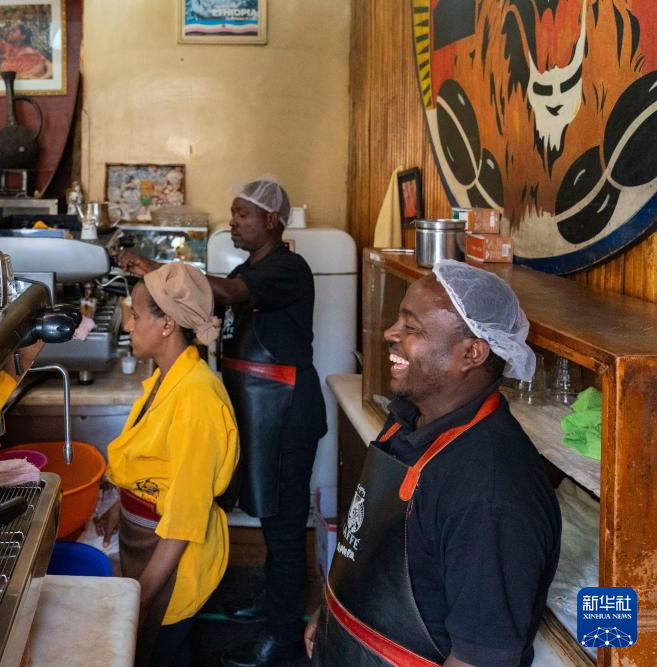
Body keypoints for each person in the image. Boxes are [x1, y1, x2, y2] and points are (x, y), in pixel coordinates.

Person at [305, 259, 561, 667]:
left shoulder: (490, 493)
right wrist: (333, 610)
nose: (390, 334)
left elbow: (480, 660)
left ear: (471, 353)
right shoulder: (407, 417)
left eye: (412, 327)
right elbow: (367, 540)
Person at [118, 176, 327, 666]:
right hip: (259, 413)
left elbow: (229, 292)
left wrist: (161, 273)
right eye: (232, 213)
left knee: (283, 528)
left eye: (242, 213)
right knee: (268, 518)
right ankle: (272, 603)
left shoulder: (287, 269)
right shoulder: (246, 268)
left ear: (272, 220)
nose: (233, 221)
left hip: (286, 417)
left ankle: (282, 636)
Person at [95, 262, 238, 667]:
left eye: (136, 315)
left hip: (171, 564)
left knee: (161, 651)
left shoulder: (196, 400)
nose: (128, 325)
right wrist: (122, 506)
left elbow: (184, 519)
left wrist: (141, 597)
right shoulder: (166, 379)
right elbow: (157, 470)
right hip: (146, 543)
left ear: (167, 325)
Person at [0, 14, 52, 79]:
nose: (10, 32)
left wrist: (41, 78)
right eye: (11, 30)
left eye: (14, 31)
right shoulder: (5, 46)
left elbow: (49, 67)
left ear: (23, 36)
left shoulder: (30, 51)